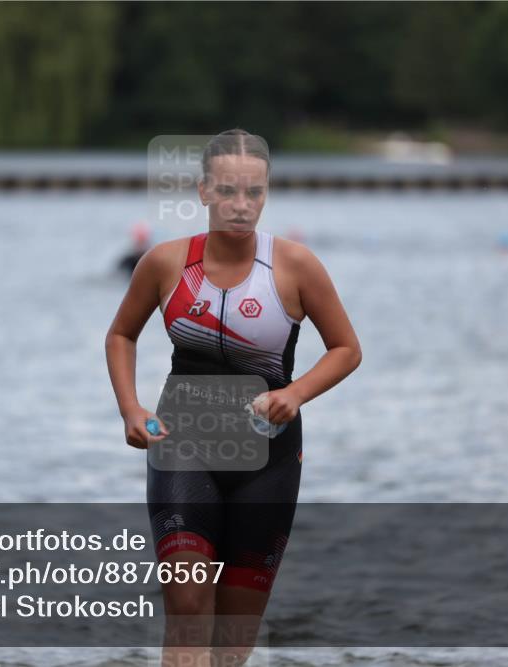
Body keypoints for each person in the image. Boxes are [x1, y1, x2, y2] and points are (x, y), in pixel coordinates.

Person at [105, 129, 361, 666]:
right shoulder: (165, 263)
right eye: (227, 191)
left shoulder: (296, 266)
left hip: (267, 457)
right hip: (182, 444)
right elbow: (121, 335)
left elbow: (346, 349)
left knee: (235, 635)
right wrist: (131, 409)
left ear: (266, 193)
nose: (241, 206)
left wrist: (295, 393)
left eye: (254, 192)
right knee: (187, 602)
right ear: (203, 191)